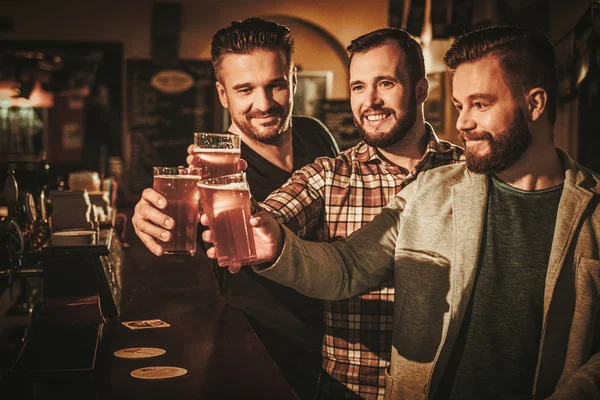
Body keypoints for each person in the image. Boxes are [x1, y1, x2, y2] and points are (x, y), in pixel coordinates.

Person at [204, 26, 600, 399]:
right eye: (358, 86)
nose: (462, 121)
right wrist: (261, 235)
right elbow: (343, 265)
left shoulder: (576, 205)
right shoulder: (421, 188)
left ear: (535, 103)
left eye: (478, 104)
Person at [212, 28, 464, 399]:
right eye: (359, 87)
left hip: (454, 383)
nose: (371, 101)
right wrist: (241, 219)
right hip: (350, 386)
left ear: (421, 89)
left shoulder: (469, 172)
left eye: (385, 83)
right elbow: (272, 214)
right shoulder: (328, 173)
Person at [131, 18, 339, 400]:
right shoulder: (209, 169)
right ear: (223, 95)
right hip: (262, 349)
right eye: (245, 89)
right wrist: (144, 218)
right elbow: (174, 228)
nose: (263, 104)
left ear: (293, 79)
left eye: (275, 84)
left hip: (340, 344)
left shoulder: (316, 134)